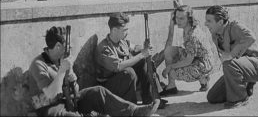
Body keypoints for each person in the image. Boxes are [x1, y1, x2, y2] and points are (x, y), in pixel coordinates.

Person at [29, 26, 160, 117]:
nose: (72, 47)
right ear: (58, 46)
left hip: (68, 99)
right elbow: (50, 94)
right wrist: (63, 71)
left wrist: (70, 76)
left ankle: (134, 112)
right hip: (48, 107)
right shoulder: (38, 64)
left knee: (98, 91)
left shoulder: (60, 60)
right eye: (67, 46)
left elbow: (76, 87)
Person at [94, 13, 166, 107]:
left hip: (122, 81)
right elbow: (118, 66)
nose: (127, 32)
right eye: (124, 30)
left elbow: (134, 47)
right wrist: (142, 54)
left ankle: (148, 98)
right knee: (129, 72)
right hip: (107, 87)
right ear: (115, 30)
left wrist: (144, 48)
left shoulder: (122, 42)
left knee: (142, 61)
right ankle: (131, 106)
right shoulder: (104, 48)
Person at [205, 5, 258, 109]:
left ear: (220, 22)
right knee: (213, 97)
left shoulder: (235, 26)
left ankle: (240, 98)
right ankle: (245, 86)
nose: (205, 24)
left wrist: (231, 55)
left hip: (256, 66)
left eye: (209, 21)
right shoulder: (215, 34)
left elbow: (251, 37)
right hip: (237, 67)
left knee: (228, 62)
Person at [158, 5, 214, 96]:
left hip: (203, 64)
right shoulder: (189, 26)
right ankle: (171, 86)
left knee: (172, 72)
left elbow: (188, 60)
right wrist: (172, 20)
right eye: (176, 18)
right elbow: (187, 11)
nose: (178, 21)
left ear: (189, 19)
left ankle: (203, 78)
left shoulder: (193, 36)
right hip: (197, 57)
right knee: (169, 51)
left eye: (181, 18)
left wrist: (170, 67)